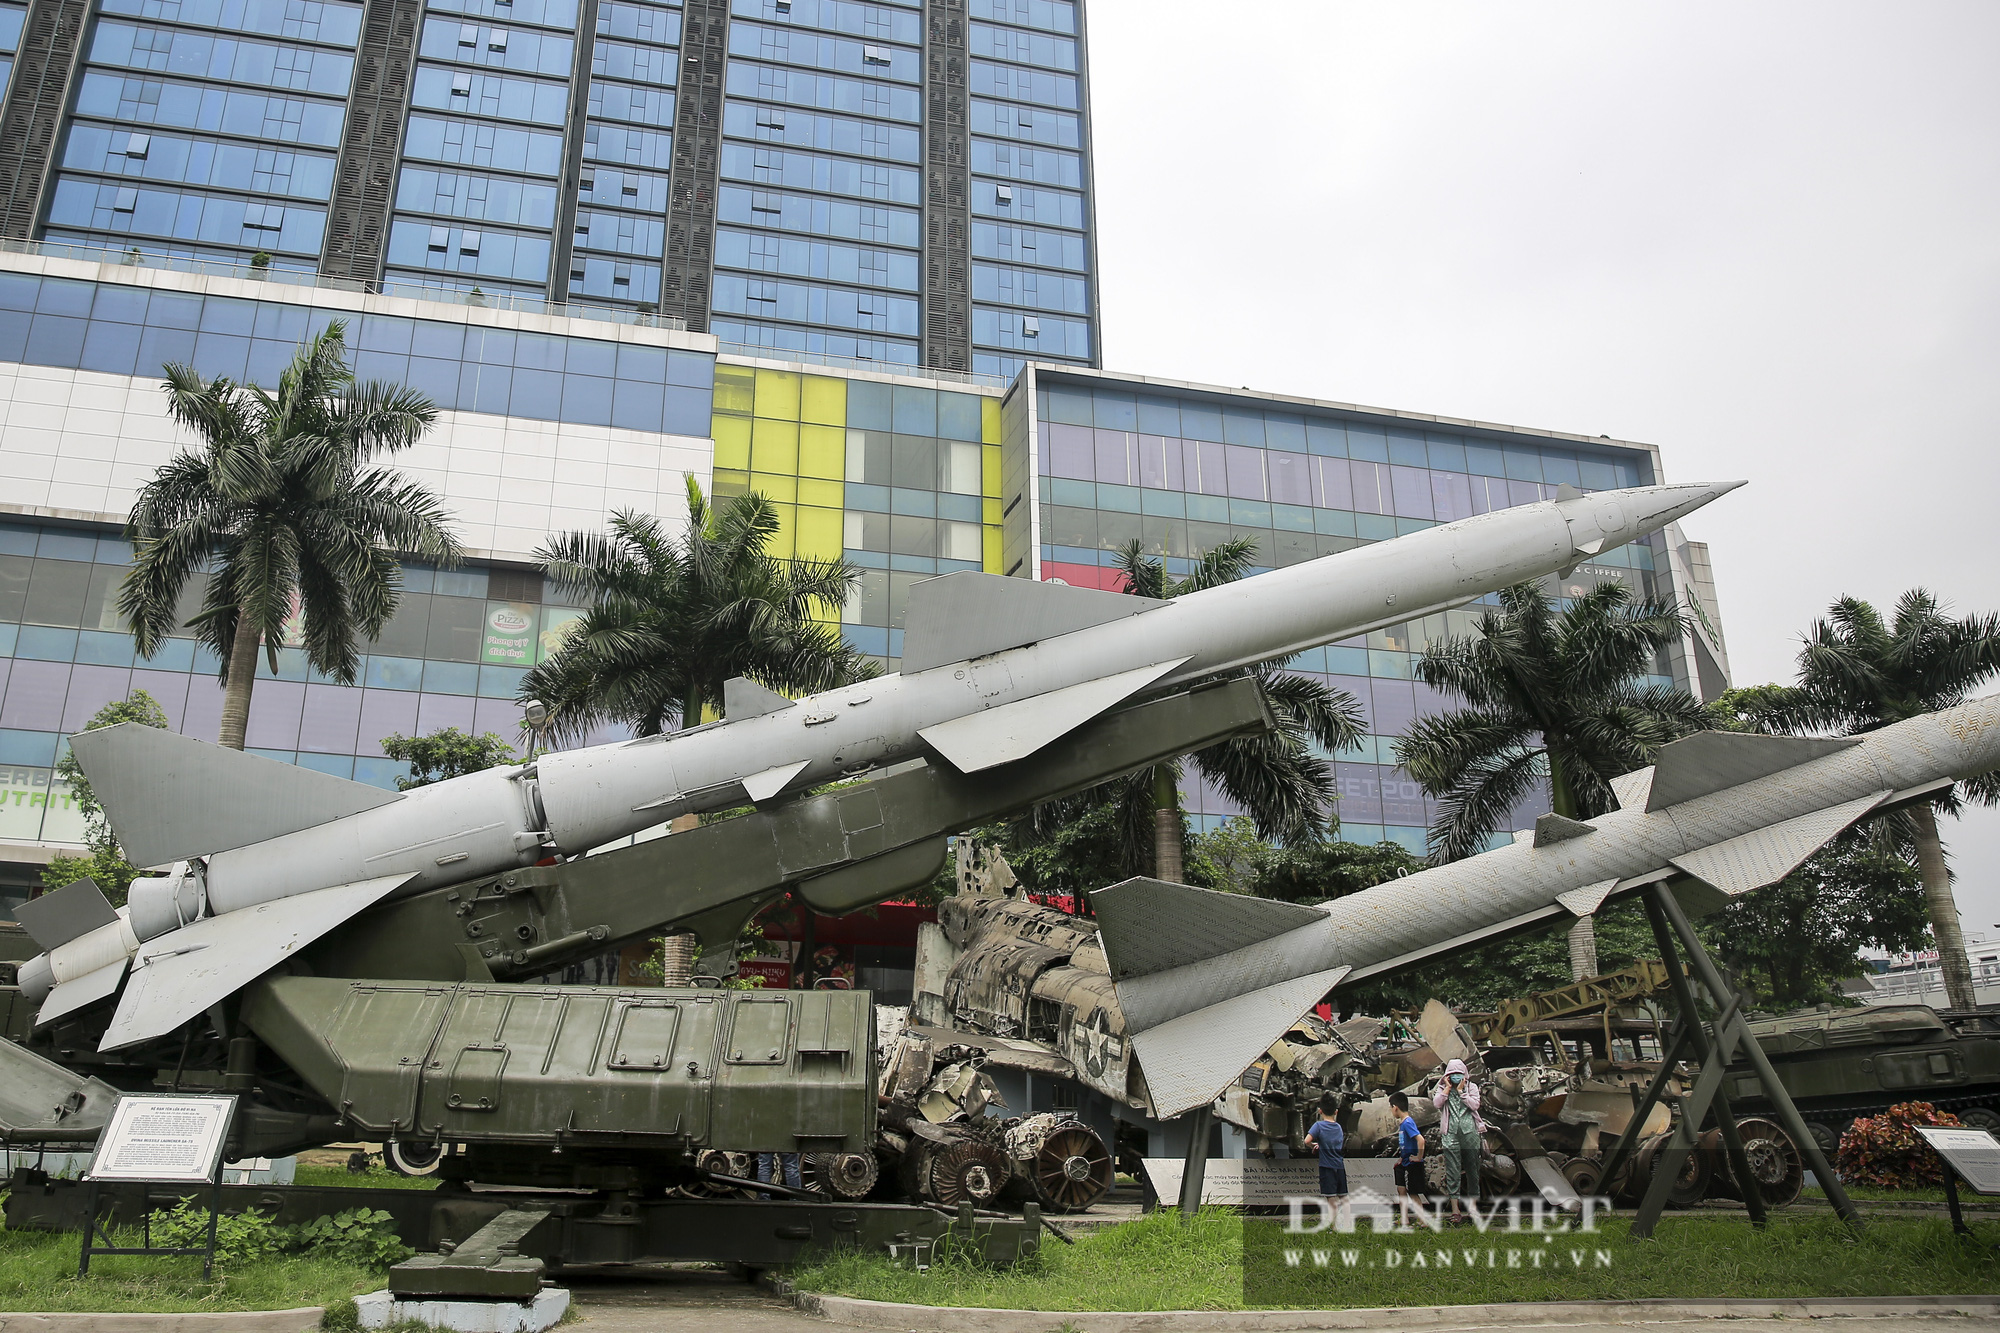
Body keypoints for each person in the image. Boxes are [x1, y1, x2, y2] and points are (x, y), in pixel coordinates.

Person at [1431, 1057, 1485, 1224]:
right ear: (1447, 1075)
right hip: (1451, 1134)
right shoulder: (1441, 1088)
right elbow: (1437, 1104)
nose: (1456, 1077)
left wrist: (1462, 1092)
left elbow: (1475, 1105)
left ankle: (1473, 1208)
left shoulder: (1472, 1087)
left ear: (1464, 1075)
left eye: (1459, 1074)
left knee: (1472, 1170)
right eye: (1452, 1074)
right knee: (1453, 1172)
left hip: (1470, 1133)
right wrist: (1447, 1088)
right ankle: (1455, 1210)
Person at [1305, 1092, 1347, 1226]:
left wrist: (1314, 1145)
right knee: (1343, 1195)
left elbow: (1306, 1141)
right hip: (1339, 1166)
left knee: (1331, 1197)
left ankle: (1334, 1225)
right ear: (1336, 1112)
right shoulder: (1339, 1127)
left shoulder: (1318, 1126)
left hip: (1326, 1166)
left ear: (1320, 1111)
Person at [1389, 1092, 1425, 1223]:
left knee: (1412, 1192)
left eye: (1391, 1107)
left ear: (1395, 1107)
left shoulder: (1408, 1123)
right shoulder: (1403, 1124)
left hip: (1411, 1163)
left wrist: (1418, 1157)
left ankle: (1422, 1220)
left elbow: (1420, 1140)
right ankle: (1404, 1219)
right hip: (1403, 1162)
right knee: (1401, 1189)